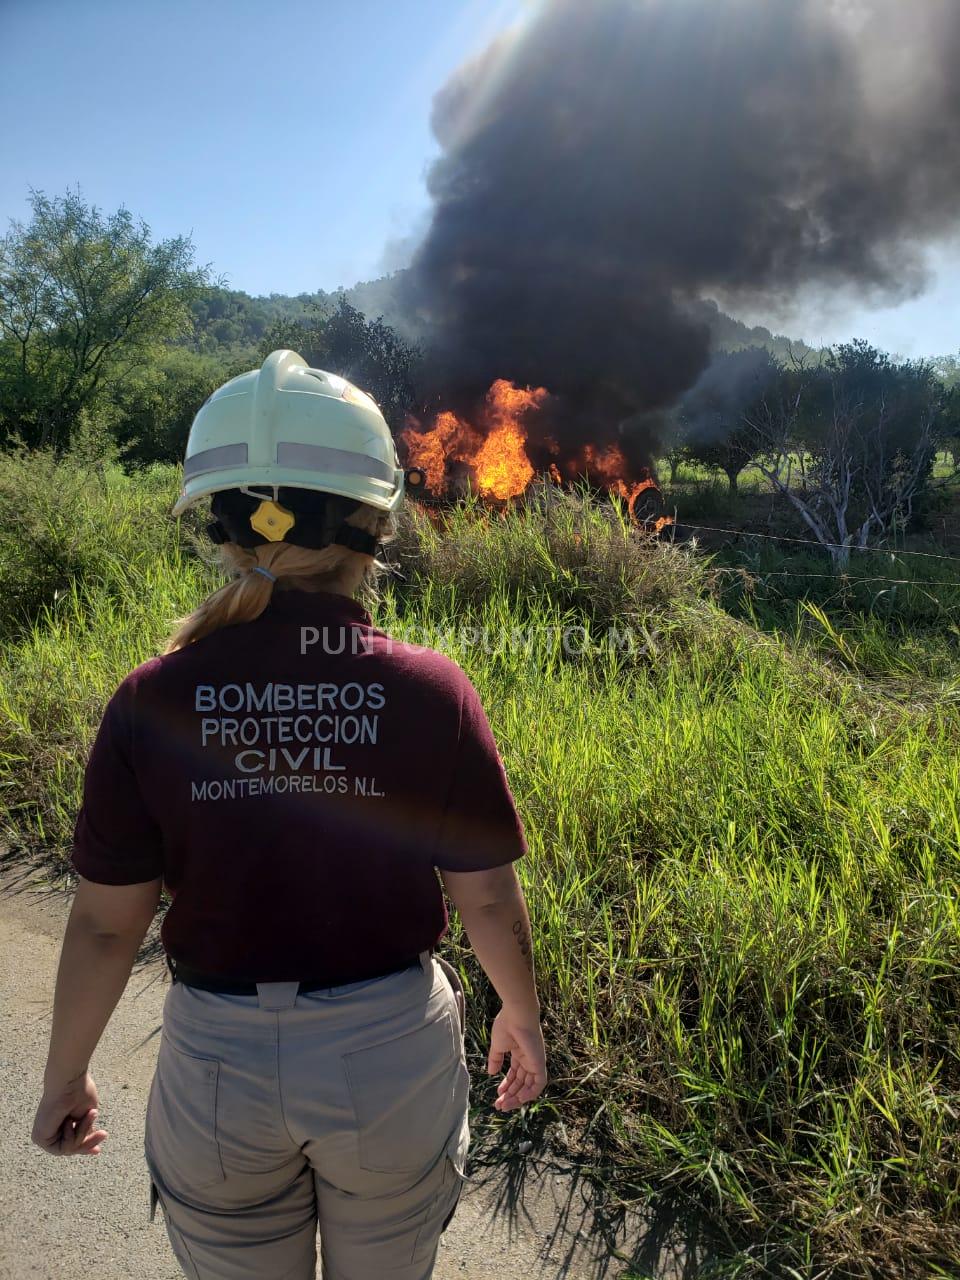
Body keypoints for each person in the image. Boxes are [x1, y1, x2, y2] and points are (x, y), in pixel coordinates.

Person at [31, 350, 547, 1280]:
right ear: (374, 525)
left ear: (221, 527)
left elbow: (108, 927)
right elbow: (489, 902)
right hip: (390, 1056)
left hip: (216, 1066)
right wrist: (522, 1013)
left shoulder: (151, 698)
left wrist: (65, 1075)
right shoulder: (431, 689)